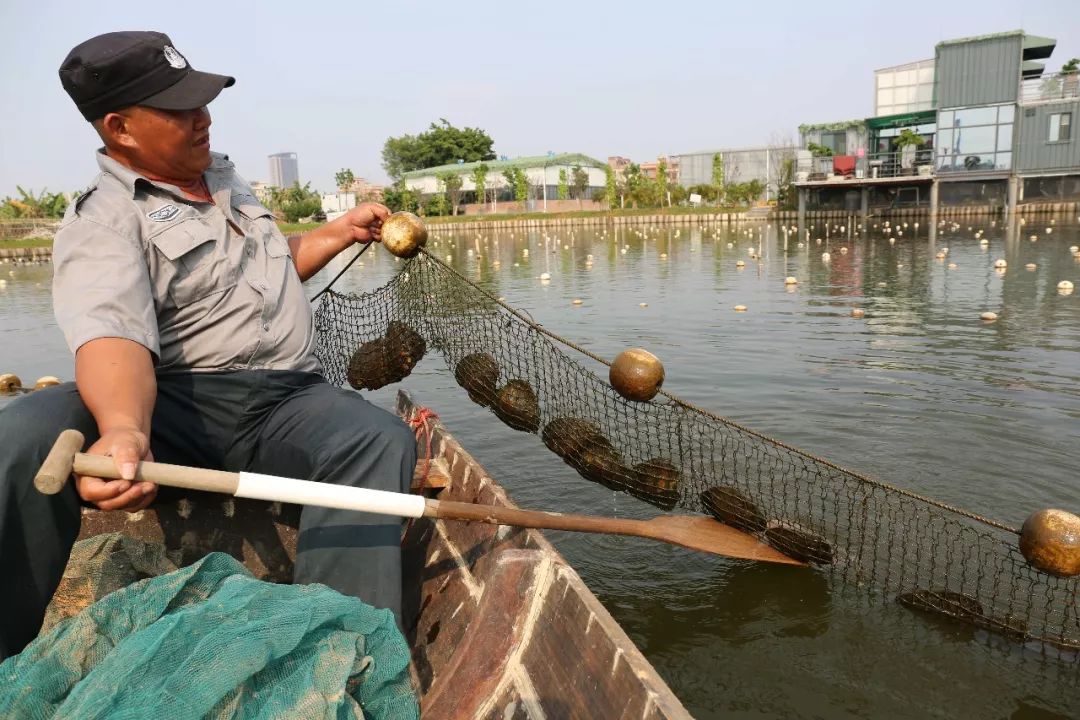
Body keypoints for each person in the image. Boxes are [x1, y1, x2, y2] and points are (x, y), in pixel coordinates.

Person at [0, 31, 417, 660]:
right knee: (27, 432)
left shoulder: (221, 178)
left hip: (282, 402)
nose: (204, 117)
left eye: (201, 100)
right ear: (121, 128)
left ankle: (335, 659)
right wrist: (122, 429)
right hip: (172, 406)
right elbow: (112, 332)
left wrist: (332, 235)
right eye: (179, 109)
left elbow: (261, 275)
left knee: (378, 439)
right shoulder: (105, 219)